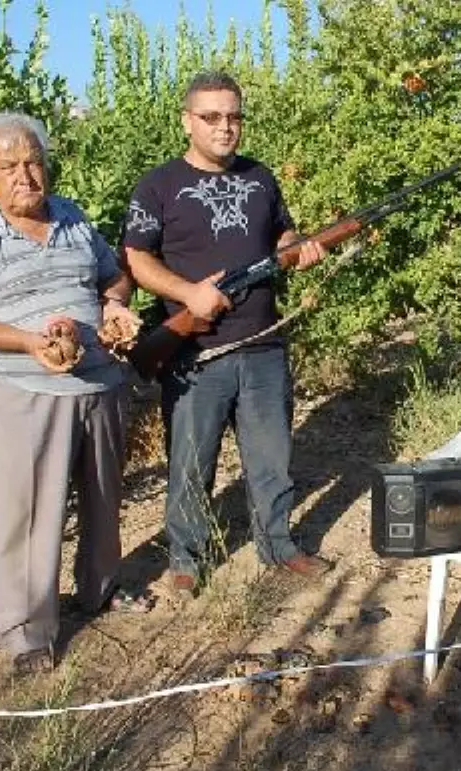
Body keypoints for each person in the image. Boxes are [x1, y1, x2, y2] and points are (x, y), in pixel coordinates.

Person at [0, 111, 148, 675]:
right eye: (9, 166)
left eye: (34, 161)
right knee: (26, 511)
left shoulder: (71, 216)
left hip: (100, 381)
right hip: (20, 389)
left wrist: (115, 305)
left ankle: (99, 590)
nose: (26, 175)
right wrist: (28, 343)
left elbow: (113, 274)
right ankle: (28, 632)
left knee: (104, 496)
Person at [122, 72, 331, 591]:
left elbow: (282, 232)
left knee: (272, 461)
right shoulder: (157, 185)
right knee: (192, 464)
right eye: (211, 117)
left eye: (234, 116)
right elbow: (136, 258)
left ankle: (279, 547)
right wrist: (189, 294)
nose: (225, 126)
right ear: (186, 122)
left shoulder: (261, 178)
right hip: (196, 352)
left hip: (264, 344)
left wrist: (299, 247)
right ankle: (187, 561)